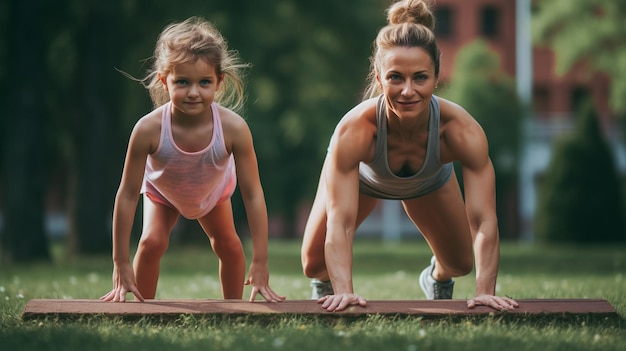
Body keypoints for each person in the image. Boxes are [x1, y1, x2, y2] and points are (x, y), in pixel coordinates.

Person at [300, 0, 518, 312]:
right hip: (362, 182)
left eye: (420, 77)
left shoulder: (461, 131)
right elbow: (341, 221)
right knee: (313, 263)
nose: (407, 90)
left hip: (428, 182)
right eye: (396, 78)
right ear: (379, 78)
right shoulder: (354, 131)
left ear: (437, 77)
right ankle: (326, 285)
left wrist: (484, 291)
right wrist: (344, 291)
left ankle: (436, 279)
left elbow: (483, 219)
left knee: (459, 263)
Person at [101, 17, 285, 303]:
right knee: (151, 243)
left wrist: (260, 261)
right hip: (163, 192)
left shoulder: (234, 128)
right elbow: (126, 195)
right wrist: (120, 262)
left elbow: (252, 194)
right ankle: (141, 312)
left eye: (204, 82)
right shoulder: (148, 130)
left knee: (230, 247)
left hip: (212, 193)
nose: (193, 92)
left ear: (219, 81)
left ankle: (233, 311)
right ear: (164, 80)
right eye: (182, 82)